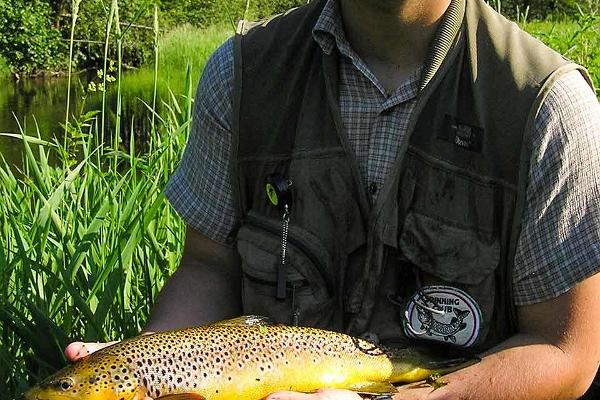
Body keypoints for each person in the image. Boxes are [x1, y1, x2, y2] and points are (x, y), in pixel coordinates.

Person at [65, 0, 600, 398]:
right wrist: (145, 368)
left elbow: (567, 352)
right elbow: (209, 268)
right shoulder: (241, 75)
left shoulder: (547, 107)